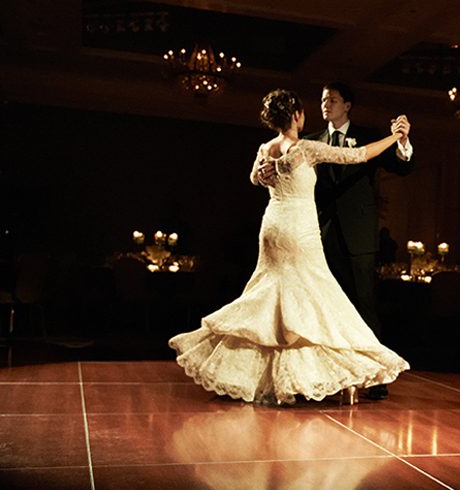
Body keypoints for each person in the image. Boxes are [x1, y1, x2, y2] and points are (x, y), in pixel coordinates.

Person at [169, 89, 409, 405]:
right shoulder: (306, 148)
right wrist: (394, 138)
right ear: (296, 115)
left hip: (271, 227)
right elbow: (359, 155)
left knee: (272, 295)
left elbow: (255, 178)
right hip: (299, 229)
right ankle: (326, 374)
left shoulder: (266, 148)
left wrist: (262, 174)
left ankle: (271, 377)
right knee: (316, 295)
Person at [306, 82, 414, 400]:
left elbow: (401, 166)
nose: (326, 104)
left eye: (333, 99)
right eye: (323, 99)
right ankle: (326, 375)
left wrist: (402, 142)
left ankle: (375, 377)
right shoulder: (311, 140)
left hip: (359, 235)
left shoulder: (369, 136)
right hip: (320, 235)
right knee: (324, 307)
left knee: (364, 306)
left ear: (347, 105)